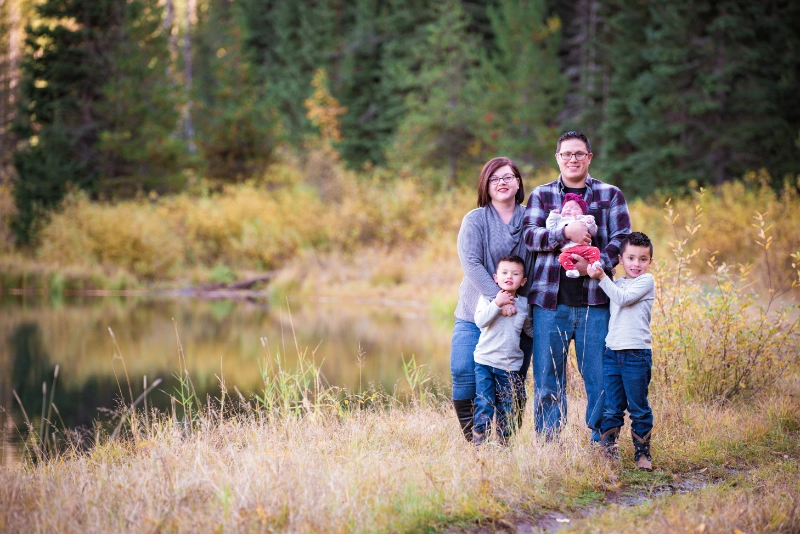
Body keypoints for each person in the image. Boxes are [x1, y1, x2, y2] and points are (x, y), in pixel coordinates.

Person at [522, 131, 631, 442]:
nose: (572, 159)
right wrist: (564, 232)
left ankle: (603, 442)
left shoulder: (611, 195)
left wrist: (595, 265)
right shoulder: (542, 196)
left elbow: (621, 239)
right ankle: (550, 446)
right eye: (566, 154)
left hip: (595, 303)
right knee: (546, 378)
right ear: (557, 158)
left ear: (589, 158)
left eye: (579, 154)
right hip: (549, 303)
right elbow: (529, 236)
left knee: (599, 377)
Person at [451, 157, 534, 442]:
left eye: (507, 177)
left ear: (518, 182)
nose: (501, 182)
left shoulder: (531, 218)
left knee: (511, 382)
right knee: (463, 371)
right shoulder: (475, 219)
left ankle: (505, 440)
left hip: (517, 316)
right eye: (494, 178)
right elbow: (472, 263)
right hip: (476, 310)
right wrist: (499, 300)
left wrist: (515, 304)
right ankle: (475, 441)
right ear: (485, 185)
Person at [587, 232, 655, 470]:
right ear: (621, 259)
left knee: (638, 406)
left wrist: (601, 277)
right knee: (612, 406)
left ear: (650, 262)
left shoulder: (646, 282)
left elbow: (623, 299)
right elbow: (615, 294)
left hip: (636, 353)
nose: (636, 264)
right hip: (612, 352)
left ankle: (642, 454)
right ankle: (609, 451)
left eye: (643, 259)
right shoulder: (617, 283)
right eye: (631, 258)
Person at [472, 255, 534, 445]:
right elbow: (480, 321)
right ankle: (480, 442)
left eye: (515, 274)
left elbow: (529, 330)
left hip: (510, 365)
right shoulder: (488, 299)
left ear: (523, 281)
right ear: (495, 277)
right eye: (504, 273)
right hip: (485, 362)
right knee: (484, 402)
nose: (509, 276)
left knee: (507, 406)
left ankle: (503, 443)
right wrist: (497, 304)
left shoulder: (523, 304)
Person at [546, 193, 602, 278]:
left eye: (574, 208)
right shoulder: (560, 219)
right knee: (562, 257)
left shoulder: (584, 218)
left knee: (595, 250)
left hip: (584, 248)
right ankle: (571, 270)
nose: (568, 210)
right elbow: (550, 227)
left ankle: (594, 263)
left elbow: (593, 231)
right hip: (568, 249)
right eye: (566, 207)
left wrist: (590, 223)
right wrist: (553, 216)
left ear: (582, 212)